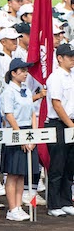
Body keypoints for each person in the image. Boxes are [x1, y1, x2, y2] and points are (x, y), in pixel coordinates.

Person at [0, 58, 45, 221]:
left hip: (27, 131)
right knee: (13, 173)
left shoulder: (25, 89)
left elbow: (33, 113)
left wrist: (33, 135)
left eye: (26, 71)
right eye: (22, 71)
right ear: (13, 73)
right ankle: (12, 208)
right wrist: (21, 137)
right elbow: (9, 115)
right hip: (14, 132)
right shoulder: (8, 91)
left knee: (21, 174)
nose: (26, 74)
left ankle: (18, 206)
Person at [44, 43, 74, 217]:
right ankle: (54, 204)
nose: (72, 59)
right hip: (58, 124)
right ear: (59, 58)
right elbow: (56, 104)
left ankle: (65, 201)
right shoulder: (55, 77)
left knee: (69, 165)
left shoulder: (72, 75)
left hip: (71, 122)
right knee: (57, 164)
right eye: (69, 56)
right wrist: (70, 125)